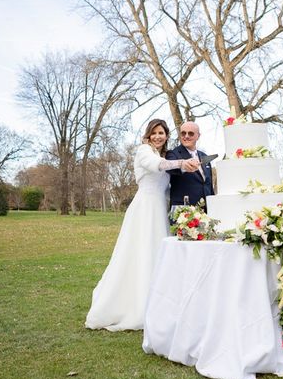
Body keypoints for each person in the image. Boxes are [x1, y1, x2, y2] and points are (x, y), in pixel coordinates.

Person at [85, 119, 200, 331]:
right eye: (154, 132)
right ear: (148, 135)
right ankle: (134, 305)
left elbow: (166, 184)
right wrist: (181, 164)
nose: (158, 136)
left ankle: (158, 303)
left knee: (157, 255)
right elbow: (158, 166)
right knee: (139, 254)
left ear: (166, 136)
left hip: (159, 211)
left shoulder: (162, 155)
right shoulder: (144, 151)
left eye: (162, 133)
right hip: (144, 210)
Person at [166, 121, 215, 213]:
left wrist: (214, 206)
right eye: (183, 133)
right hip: (183, 212)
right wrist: (184, 165)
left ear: (198, 136)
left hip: (206, 211)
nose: (186, 136)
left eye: (191, 133)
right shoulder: (173, 154)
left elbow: (209, 186)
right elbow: (171, 168)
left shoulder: (204, 156)